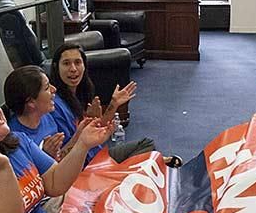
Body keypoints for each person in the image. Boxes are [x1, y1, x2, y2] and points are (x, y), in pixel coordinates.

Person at [49, 43, 182, 167]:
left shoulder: (81, 92)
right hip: (83, 167)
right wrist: (81, 135)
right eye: (66, 64)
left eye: (77, 62)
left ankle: (146, 164)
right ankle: (151, 164)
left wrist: (114, 104)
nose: (73, 69)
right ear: (56, 67)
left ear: (84, 65)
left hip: (97, 156)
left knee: (146, 144)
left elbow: (96, 131)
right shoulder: (54, 105)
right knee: (146, 150)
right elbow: (59, 158)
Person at [4, 65, 65, 159]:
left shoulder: (47, 116)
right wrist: (45, 158)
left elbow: (61, 155)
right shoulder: (14, 140)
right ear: (31, 102)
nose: (54, 89)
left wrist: (78, 137)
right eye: (47, 88)